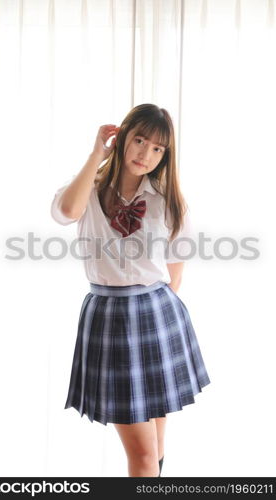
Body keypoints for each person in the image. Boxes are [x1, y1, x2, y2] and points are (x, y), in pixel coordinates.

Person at [50, 103, 210, 477]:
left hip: (156, 315)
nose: (146, 154)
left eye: (157, 149)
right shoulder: (87, 188)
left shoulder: (168, 202)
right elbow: (66, 212)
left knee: (152, 447)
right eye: (139, 140)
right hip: (108, 316)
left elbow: (175, 276)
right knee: (143, 452)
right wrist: (96, 155)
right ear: (121, 137)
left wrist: (153, 315)